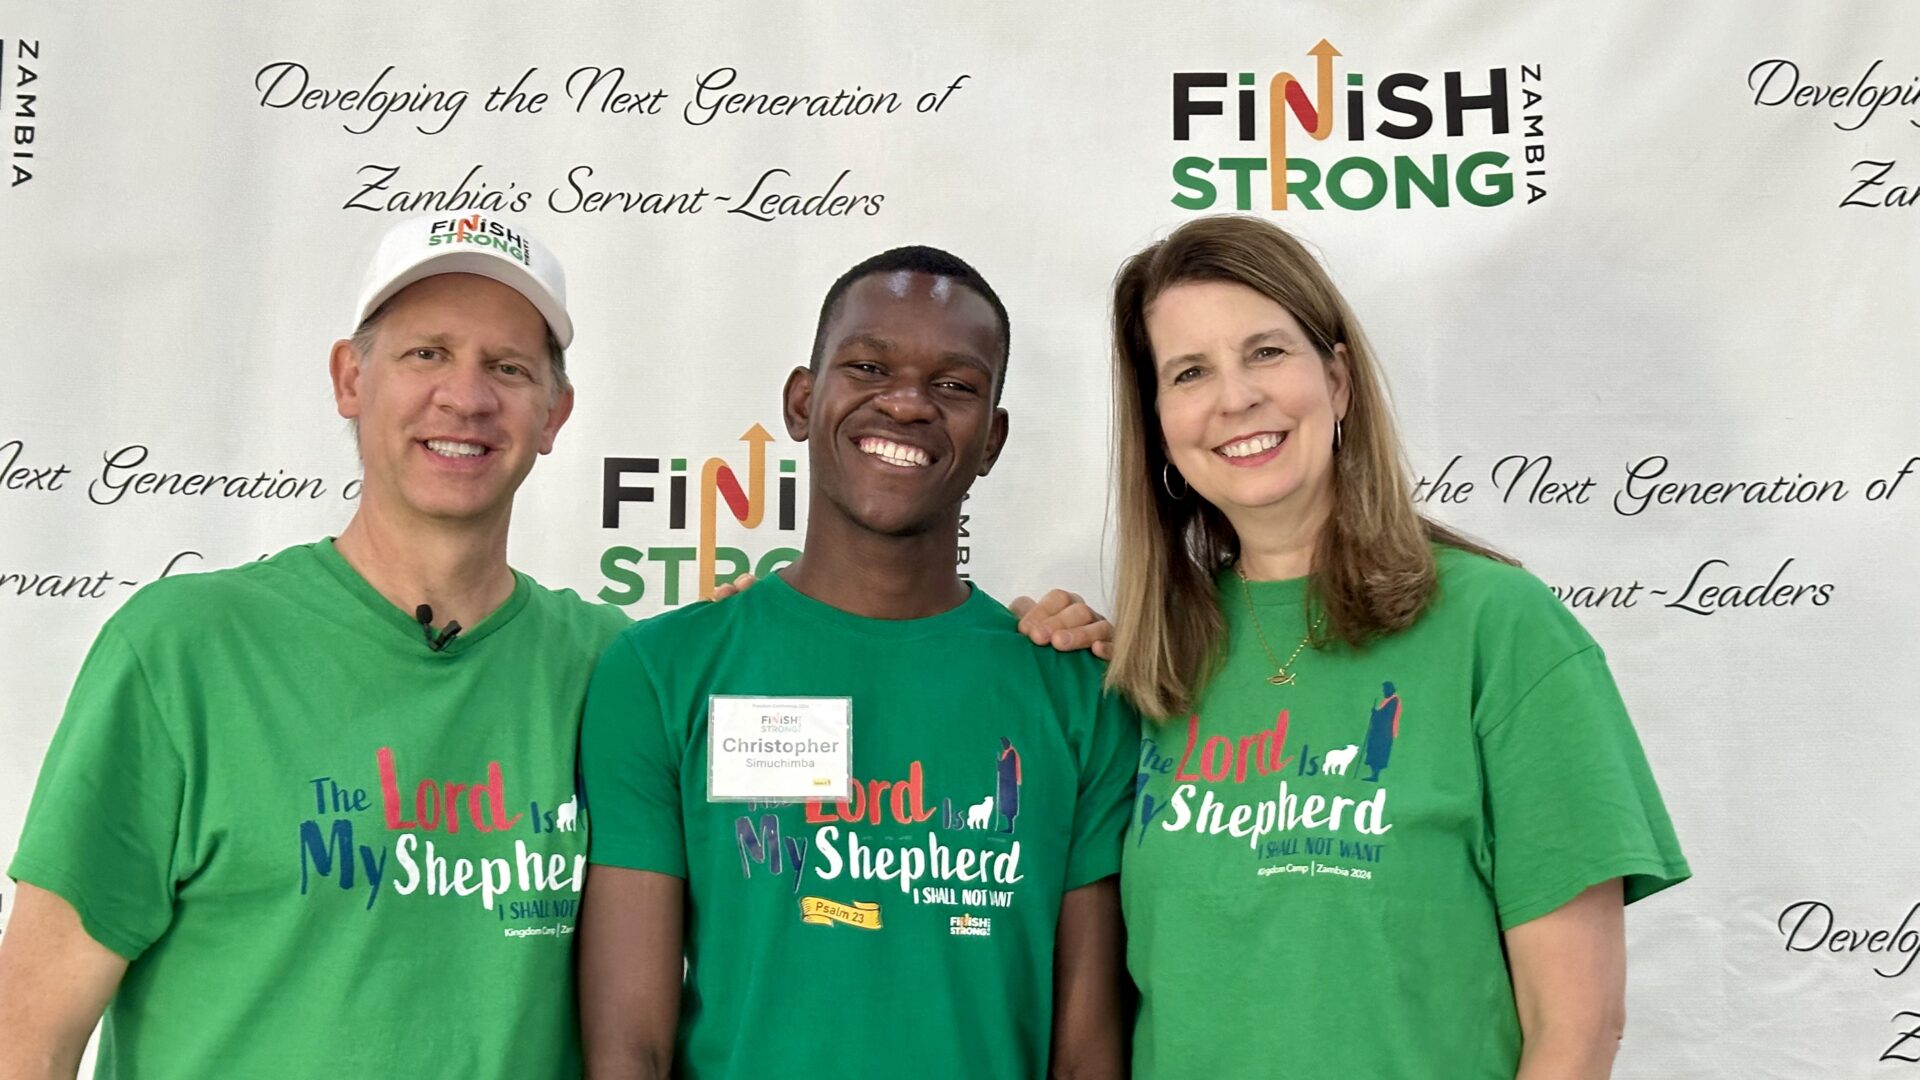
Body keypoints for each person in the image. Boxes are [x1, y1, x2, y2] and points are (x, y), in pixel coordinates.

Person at [0, 213, 628, 1079]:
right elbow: (28, 1037)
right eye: (426, 354)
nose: (467, 397)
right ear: (350, 379)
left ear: (554, 414)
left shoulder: (617, 668)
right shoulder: (182, 652)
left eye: (508, 368)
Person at [1106, 215, 1690, 1079]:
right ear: (1160, 425)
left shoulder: (1501, 629)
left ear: (1337, 381)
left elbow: (1577, 1029)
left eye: (1266, 352)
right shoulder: (1147, 667)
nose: (1235, 398)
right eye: (1190, 372)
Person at [576, 246, 1136, 1080]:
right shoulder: (661, 672)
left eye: (955, 385)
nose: (907, 401)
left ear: (993, 439)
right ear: (803, 402)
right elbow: (629, 1048)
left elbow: (1088, 1052)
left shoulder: (1076, 692)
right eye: (869, 365)